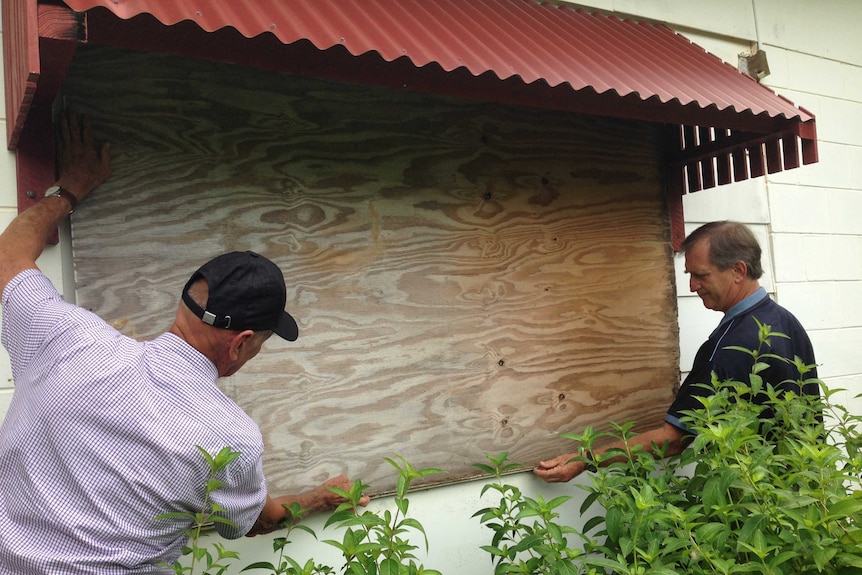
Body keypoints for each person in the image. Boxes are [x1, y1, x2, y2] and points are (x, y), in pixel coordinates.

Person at [0, 112, 367, 574]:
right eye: (262, 345)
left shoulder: (67, 339)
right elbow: (257, 521)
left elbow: (8, 256)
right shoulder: (228, 439)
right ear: (241, 344)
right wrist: (317, 498)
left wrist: (70, 190)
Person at [534, 220, 819, 482]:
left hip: (754, 504)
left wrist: (586, 459)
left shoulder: (726, 347)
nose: (693, 286)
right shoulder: (786, 322)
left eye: (701, 275)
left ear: (738, 271)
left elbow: (673, 439)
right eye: (690, 275)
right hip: (804, 489)